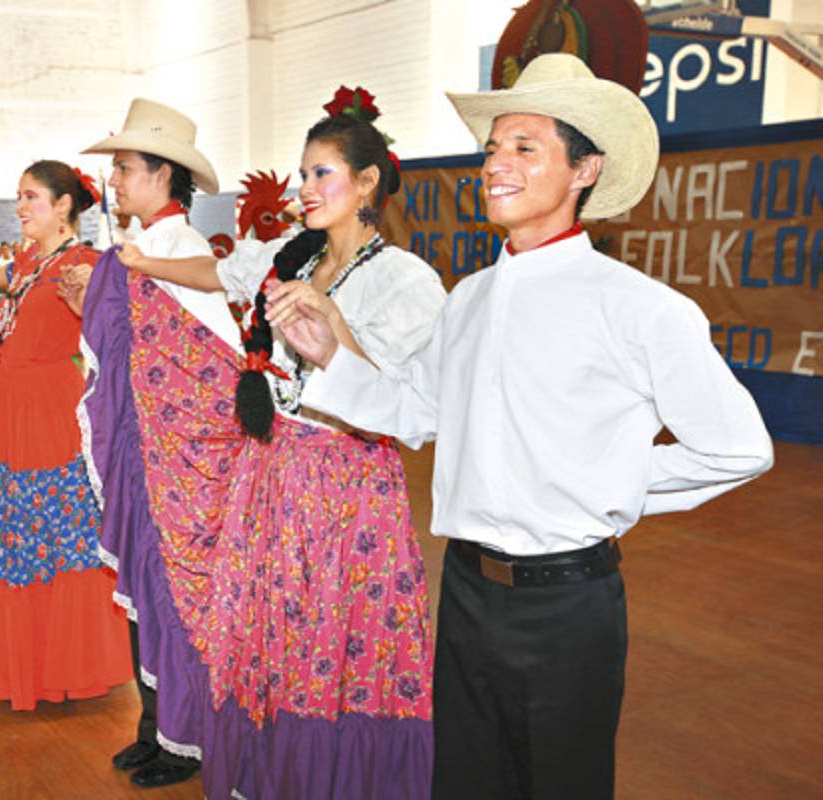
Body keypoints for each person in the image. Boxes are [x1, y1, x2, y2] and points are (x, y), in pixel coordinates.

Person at [277, 54, 775, 800]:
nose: (496, 164)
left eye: (524, 147)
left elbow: (738, 448)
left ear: (585, 170)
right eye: (491, 149)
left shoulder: (639, 307)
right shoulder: (471, 299)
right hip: (468, 593)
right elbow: (417, 409)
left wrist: (616, 486)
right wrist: (331, 360)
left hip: (568, 605)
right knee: (469, 782)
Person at [107, 90, 444, 798]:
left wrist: (330, 324)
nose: (306, 188)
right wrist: (144, 266)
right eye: (303, 174)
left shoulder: (404, 282)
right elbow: (216, 273)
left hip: (347, 487)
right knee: (268, 638)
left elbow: (398, 404)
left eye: (323, 173)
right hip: (272, 474)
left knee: (333, 646)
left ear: (368, 183)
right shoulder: (293, 254)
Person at [75, 97, 238, 790]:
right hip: (145, 457)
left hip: (182, 467)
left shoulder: (183, 249)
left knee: (177, 600)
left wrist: (131, 277)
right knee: (145, 594)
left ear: (164, 174)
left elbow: (214, 362)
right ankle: (154, 724)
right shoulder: (141, 249)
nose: (115, 181)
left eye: (126, 168)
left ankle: (188, 737)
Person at [0, 160, 131, 709]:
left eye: (32, 197)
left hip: (50, 411)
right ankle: (23, 666)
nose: (19, 207)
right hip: (7, 411)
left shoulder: (85, 263)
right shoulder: (24, 262)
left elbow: (110, 336)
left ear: (64, 207)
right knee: (10, 537)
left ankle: (66, 666)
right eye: (18, 196)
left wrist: (84, 301)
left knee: (58, 534)